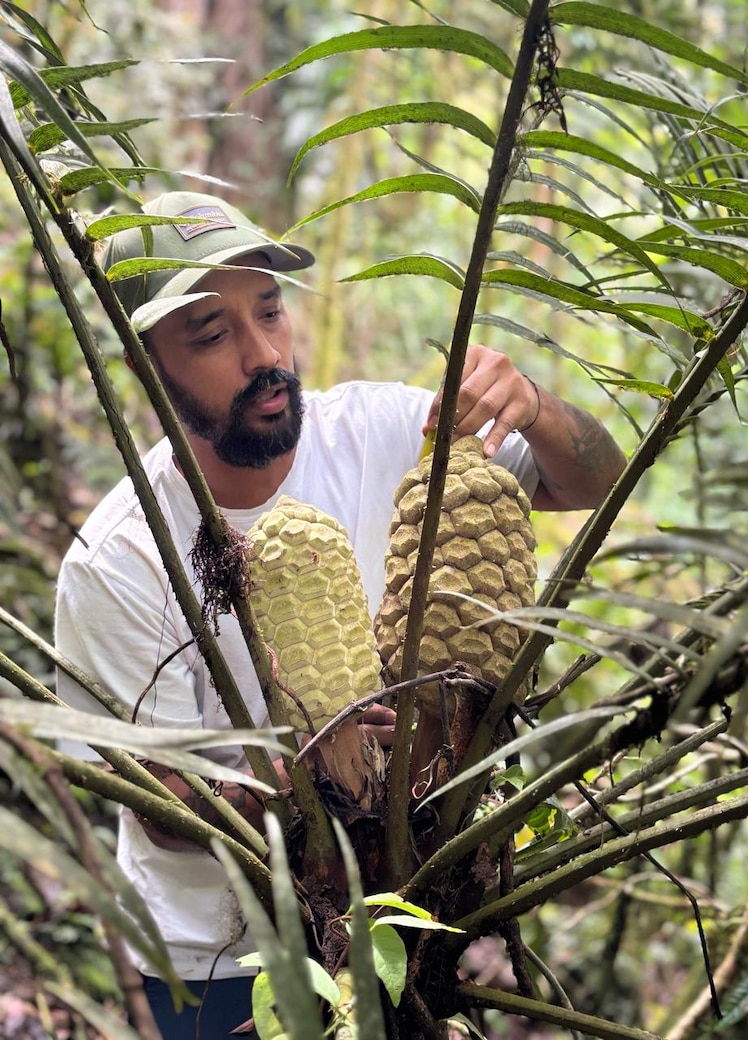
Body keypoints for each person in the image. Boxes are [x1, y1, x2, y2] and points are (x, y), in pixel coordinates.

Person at [55, 190, 625, 1037]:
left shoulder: (387, 431)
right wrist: (318, 765)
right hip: (223, 964)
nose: (263, 354)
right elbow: (159, 805)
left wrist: (534, 406)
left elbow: (596, 482)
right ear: (144, 367)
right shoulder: (121, 558)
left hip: (411, 915)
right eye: (212, 336)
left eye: (270, 311)